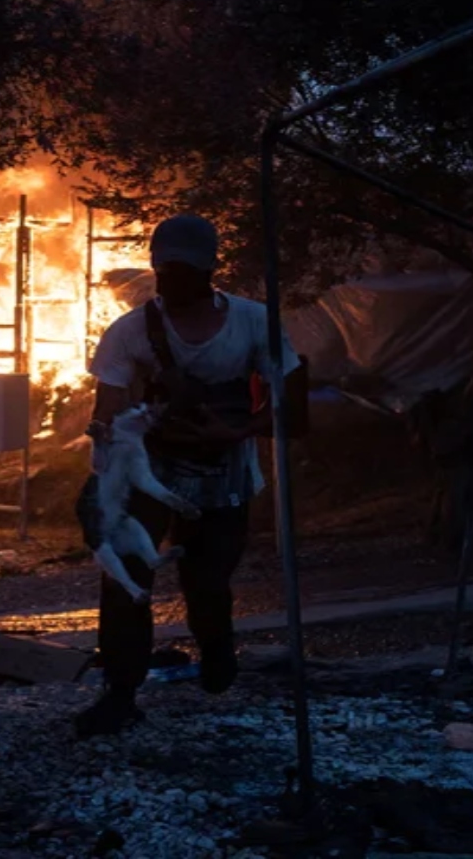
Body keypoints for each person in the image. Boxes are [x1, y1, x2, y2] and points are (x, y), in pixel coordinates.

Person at [75, 212, 303, 738]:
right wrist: (102, 463)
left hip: (223, 473)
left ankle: (217, 649)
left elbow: (287, 399)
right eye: (164, 269)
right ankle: (121, 691)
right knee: (126, 579)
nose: (172, 279)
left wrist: (237, 432)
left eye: (183, 269)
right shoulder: (130, 332)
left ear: (208, 270)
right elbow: (108, 405)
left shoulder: (251, 321)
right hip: (148, 469)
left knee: (207, 582)